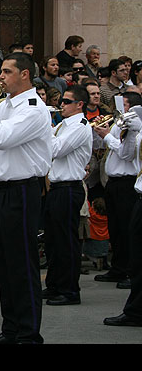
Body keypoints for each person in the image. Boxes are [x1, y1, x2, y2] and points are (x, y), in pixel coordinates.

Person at [0, 52, 52, 344]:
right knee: (3, 264)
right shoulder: (5, 104)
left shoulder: (32, 108)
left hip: (23, 190)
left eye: (6, 71)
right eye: (0, 71)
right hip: (2, 190)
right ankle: (11, 329)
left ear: (24, 74)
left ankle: (28, 333)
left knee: (22, 265)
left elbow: (1, 138)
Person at [42, 85, 93, 306]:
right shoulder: (63, 124)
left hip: (69, 187)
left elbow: (55, 149)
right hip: (56, 186)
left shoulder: (80, 126)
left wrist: (42, 125)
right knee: (53, 241)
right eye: (61, 101)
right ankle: (54, 285)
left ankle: (70, 289)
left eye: (66, 101)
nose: (61, 104)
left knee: (66, 241)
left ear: (79, 105)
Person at [93, 91, 142, 290]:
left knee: (127, 228)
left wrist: (106, 137)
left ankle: (130, 271)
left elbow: (126, 154)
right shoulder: (118, 124)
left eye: (123, 105)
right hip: (114, 181)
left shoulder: (135, 127)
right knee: (115, 227)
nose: (118, 109)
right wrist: (100, 132)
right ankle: (118, 268)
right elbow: (102, 146)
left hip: (127, 182)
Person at [103, 104, 142, 327]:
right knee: (136, 257)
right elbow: (129, 152)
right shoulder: (135, 129)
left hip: (132, 188)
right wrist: (133, 133)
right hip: (138, 195)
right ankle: (136, 310)